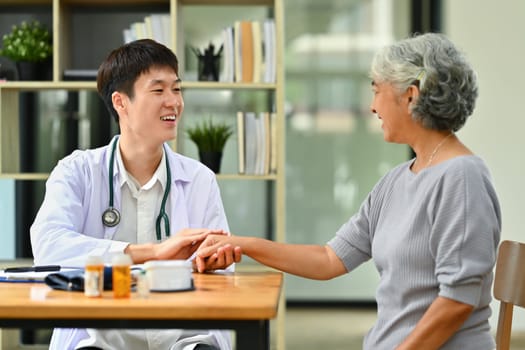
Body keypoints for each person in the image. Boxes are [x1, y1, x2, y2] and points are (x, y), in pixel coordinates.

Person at [196, 33, 501, 350]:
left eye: (376, 90)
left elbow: (457, 299)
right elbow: (329, 259)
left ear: (410, 96)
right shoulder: (397, 180)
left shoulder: (463, 178)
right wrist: (242, 245)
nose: (371, 106)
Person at [30, 39, 240, 350]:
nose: (173, 102)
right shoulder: (77, 171)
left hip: (183, 338)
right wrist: (152, 253)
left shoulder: (199, 179)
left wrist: (215, 260)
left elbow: (222, 273)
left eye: (177, 89)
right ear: (120, 102)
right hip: (96, 337)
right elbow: (49, 248)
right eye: (158, 90)